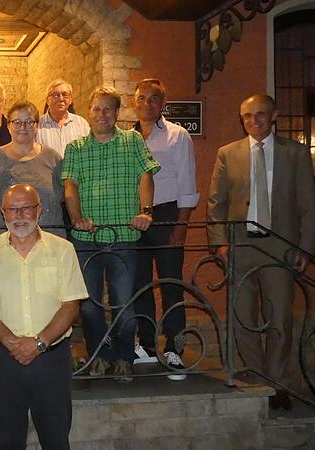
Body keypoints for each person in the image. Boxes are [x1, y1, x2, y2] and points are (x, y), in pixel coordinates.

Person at [207, 94, 315, 410]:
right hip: (240, 246)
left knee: (279, 316)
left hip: (280, 248)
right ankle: (256, 379)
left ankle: (276, 383)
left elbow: (308, 206)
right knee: (243, 317)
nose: (253, 121)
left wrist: (305, 249)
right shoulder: (227, 153)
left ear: (274, 116)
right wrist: (220, 242)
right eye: (247, 116)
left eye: (260, 115)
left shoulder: (294, 153)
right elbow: (216, 204)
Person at [0, 184, 86, 450]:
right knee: (9, 440)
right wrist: (10, 341)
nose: (19, 215)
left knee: (56, 439)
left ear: (39, 210)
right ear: (3, 213)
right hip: (5, 359)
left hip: (51, 359)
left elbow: (71, 305)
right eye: (12, 209)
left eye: (26, 208)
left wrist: (39, 342)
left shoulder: (63, 250)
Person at [62, 86, 160, 383]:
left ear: (117, 113)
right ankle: (98, 357)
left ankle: (123, 358)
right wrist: (76, 218)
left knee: (123, 302)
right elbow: (70, 186)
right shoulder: (76, 148)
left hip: (124, 236)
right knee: (89, 304)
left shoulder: (132, 141)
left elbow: (146, 175)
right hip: (86, 237)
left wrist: (146, 212)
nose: (101, 114)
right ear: (88, 113)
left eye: (108, 109)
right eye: (96, 109)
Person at [130, 78, 199, 380]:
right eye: (142, 98)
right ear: (134, 102)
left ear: (163, 104)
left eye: (154, 99)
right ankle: (145, 344)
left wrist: (181, 225)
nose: (147, 104)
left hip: (168, 214)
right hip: (134, 218)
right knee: (139, 285)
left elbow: (187, 182)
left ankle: (174, 348)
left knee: (171, 284)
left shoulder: (177, 136)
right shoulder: (126, 137)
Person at [0, 101, 64, 239]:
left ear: (37, 126)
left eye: (29, 122)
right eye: (17, 122)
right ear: (8, 126)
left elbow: (66, 197)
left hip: (48, 240)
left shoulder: (52, 158)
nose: (23, 127)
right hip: (3, 241)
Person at [36, 79, 90, 158]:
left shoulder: (81, 123)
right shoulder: (37, 125)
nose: (61, 99)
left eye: (65, 95)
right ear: (47, 100)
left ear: (70, 99)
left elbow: (88, 151)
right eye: (55, 95)